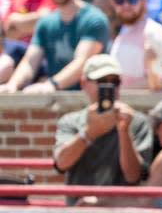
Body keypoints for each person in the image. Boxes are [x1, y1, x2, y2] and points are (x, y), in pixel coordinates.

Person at [0, 0, 108, 92]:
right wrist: (13, 85)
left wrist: (51, 85)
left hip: (89, 97)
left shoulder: (93, 19)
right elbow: (30, 62)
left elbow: (81, 62)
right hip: (57, 100)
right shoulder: (46, 23)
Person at [53, 55, 154, 194]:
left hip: (121, 210)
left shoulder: (136, 121)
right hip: (79, 208)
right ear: (83, 84)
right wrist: (88, 134)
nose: (109, 87)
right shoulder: (71, 121)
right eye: (101, 81)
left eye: (115, 81)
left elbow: (133, 176)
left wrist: (124, 131)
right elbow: (61, 163)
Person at [109, 0, 162, 91]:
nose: (125, 5)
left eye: (132, 0)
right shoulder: (124, 29)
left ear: (144, 2)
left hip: (145, 107)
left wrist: (119, 92)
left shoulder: (154, 32)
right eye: (120, 1)